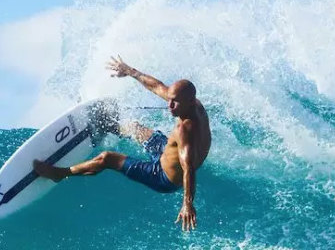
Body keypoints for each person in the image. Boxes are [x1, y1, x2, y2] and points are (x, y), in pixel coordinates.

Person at [33, 56, 211, 231]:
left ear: (188, 102)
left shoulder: (185, 130)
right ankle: (109, 125)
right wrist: (129, 71)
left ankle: (60, 173)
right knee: (134, 128)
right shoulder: (191, 103)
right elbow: (157, 86)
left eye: (175, 102)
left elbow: (188, 167)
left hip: (163, 176)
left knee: (107, 158)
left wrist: (187, 204)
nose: (169, 105)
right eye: (169, 99)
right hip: (166, 151)